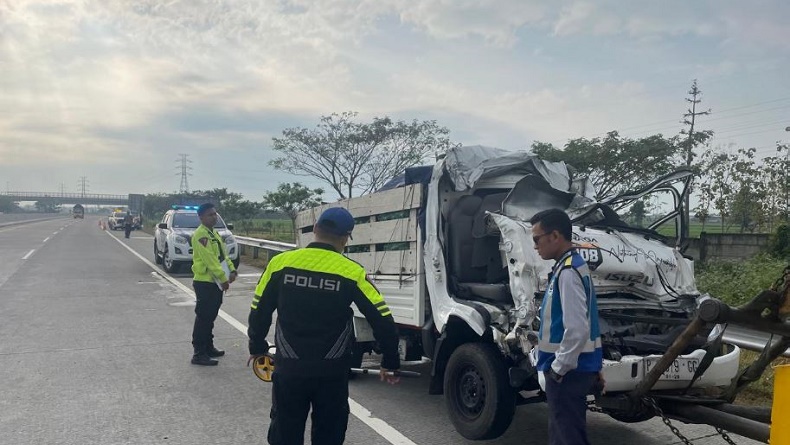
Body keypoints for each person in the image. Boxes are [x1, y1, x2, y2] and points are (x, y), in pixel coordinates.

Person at [248, 207, 400, 445]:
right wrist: (390, 362)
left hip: (289, 368)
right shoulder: (352, 271)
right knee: (329, 432)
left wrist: (257, 346)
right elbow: (382, 319)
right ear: (345, 238)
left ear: (316, 229)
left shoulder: (280, 264)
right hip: (332, 371)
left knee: (285, 431)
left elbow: (259, 310)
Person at [530, 208, 603, 445]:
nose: (535, 246)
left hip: (567, 373)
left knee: (566, 436)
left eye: (537, 239)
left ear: (555, 236)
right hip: (576, 369)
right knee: (567, 432)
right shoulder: (570, 266)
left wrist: (559, 369)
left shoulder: (569, 271)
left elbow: (578, 328)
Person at [190, 202, 237, 366]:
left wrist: (232, 270)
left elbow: (223, 255)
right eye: (210, 214)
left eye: (215, 214)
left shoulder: (214, 234)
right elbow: (210, 260)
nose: (214, 217)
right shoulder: (201, 235)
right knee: (203, 318)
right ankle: (198, 353)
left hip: (215, 283)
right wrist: (223, 279)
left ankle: (209, 347)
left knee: (210, 317)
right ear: (201, 217)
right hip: (205, 282)